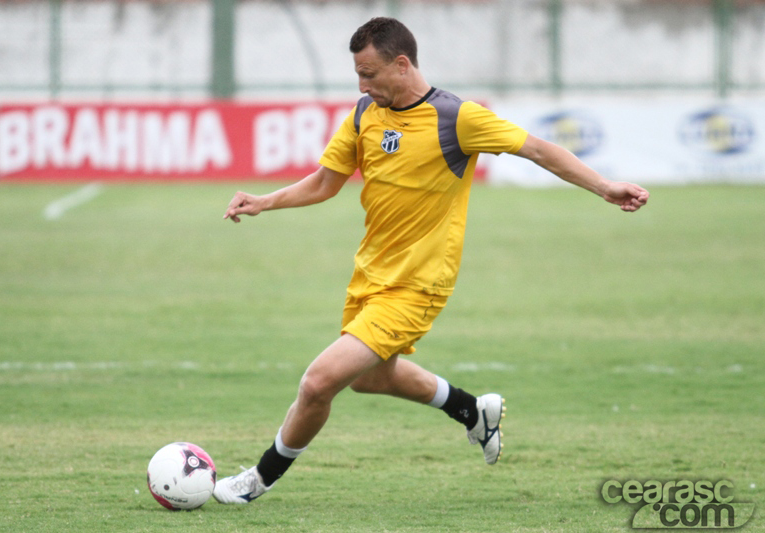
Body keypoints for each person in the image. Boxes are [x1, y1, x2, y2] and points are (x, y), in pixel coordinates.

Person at [213, 17, 649, 505]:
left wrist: (605, 186)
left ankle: (257, 480)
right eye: (358, 74)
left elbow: (538, 150)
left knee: (319, 382)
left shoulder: (456, 117)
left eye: (370, 73)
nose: (362, 85)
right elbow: (324, 182)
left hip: (419, 285)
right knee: (371, 379)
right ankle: (471, 410)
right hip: (370, 276)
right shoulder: (363, 115)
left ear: (402, 65)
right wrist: (262, 202)